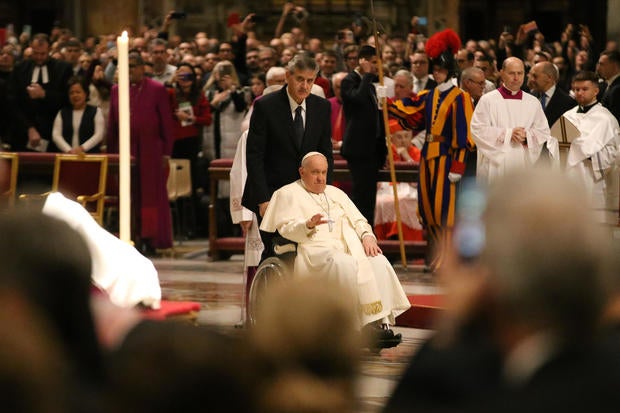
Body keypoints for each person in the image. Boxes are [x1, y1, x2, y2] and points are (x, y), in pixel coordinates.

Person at [260, 152, 410, 342]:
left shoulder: (336, 193)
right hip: (314, 249)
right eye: (315, 172)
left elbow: (359, 220)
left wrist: (367, 236)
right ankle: (348, 327)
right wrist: (307, 225)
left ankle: (378, 323)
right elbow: (286, 228)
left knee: (377, 261)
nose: (320, 178)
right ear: (302, 172)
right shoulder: (287, 193)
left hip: (349, 246)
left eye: (323, 172)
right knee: (343, 264)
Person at [242, 54, 333, 259]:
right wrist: (263, 199)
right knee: (276, 252)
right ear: (287, 76)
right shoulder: (266, 106)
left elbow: (325, 153)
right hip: (273, 193)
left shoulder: (321, 107)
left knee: (305, 252)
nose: (305, 85)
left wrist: (325, 192)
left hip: (306, 192)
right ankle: (268, 291)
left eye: (310, 80)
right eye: (300, 79)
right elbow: (254, 155)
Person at [108, 50, 174, 254]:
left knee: (150, 195)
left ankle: (150, 239)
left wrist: (166, 152)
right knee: (129, 194)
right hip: (125, 150)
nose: (131, 69)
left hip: (151, 149)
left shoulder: (157, 89)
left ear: (142, 67)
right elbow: (113, 124)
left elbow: (167, 123)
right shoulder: (116, 90)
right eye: (127, 66)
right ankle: (131, 235)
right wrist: (112, 153)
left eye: (134, 65)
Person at [470, 57, 556, 183]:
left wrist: (526, 136)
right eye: (511, 73)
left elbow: (543, 132)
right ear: (502, 73)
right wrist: (509, 134)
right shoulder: (488, 100)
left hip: (522, 163)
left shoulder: (533, 102)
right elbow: (477, 130)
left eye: (520, 73)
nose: (516, 78)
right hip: (495, 163)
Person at [562, 70, 620, 225]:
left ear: (596, 91)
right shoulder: (567, 116)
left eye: (584, 89)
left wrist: (586, 152)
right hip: (568, 177)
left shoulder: (606, 119)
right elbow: (555, 144)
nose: (579, 93)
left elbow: (613, 152)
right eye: (576, 89)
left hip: (591, 178)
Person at [340, 45, 386, 226]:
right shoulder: (349, 80)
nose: (377, 67)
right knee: (361, 199)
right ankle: (360, 236)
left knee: (370, 200)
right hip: (358, 150)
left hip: (373, 150)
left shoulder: (373, 86)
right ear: (363, 61)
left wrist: (383, 150)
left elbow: (378, 117)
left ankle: (369, 236)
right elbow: (357, 99)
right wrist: (366, 75)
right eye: (374, 63)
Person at [8, 33, 72, 151]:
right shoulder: (20, 68)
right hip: (23, 133)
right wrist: (29, 128)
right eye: (35, 53)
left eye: (43, 54)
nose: (39, 57)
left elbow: (67, 99)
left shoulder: (63, 69)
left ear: (50, 49)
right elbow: (12, 102)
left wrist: (44, 94)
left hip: (55, 134)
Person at [374, 120, 423, 242]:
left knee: (401, 201)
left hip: (411, 190)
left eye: (406, 136)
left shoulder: (416, 152)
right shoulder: (386, 153)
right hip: (388, 188)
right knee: (378, 202)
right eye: (399, 137)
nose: (403, 140)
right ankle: (383, 239)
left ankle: (401, 238)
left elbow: (418, 180)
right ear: (391, 138)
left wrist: (407, 157)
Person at [52, 76, 104, 153]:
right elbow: (56, 135)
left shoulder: (96, 111)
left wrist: (82, 148)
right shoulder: (62, 113)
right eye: (71, 93)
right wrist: (69, 150)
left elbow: (99, 135)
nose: (75, 95)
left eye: (78, 92)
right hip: (67, 157)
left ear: (86, 93)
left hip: (90, 157)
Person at [527, 61, 576, 128]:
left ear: (549, 78)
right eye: (530, 75)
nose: (531, 79)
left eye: (535, 76)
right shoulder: (529, 97)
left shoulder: (568, 103)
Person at [597, 50, 620, 123]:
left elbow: (615, 119)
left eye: (602, 64)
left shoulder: (617, 89)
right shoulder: (609, 85)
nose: (598, 68)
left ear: (614, 65)